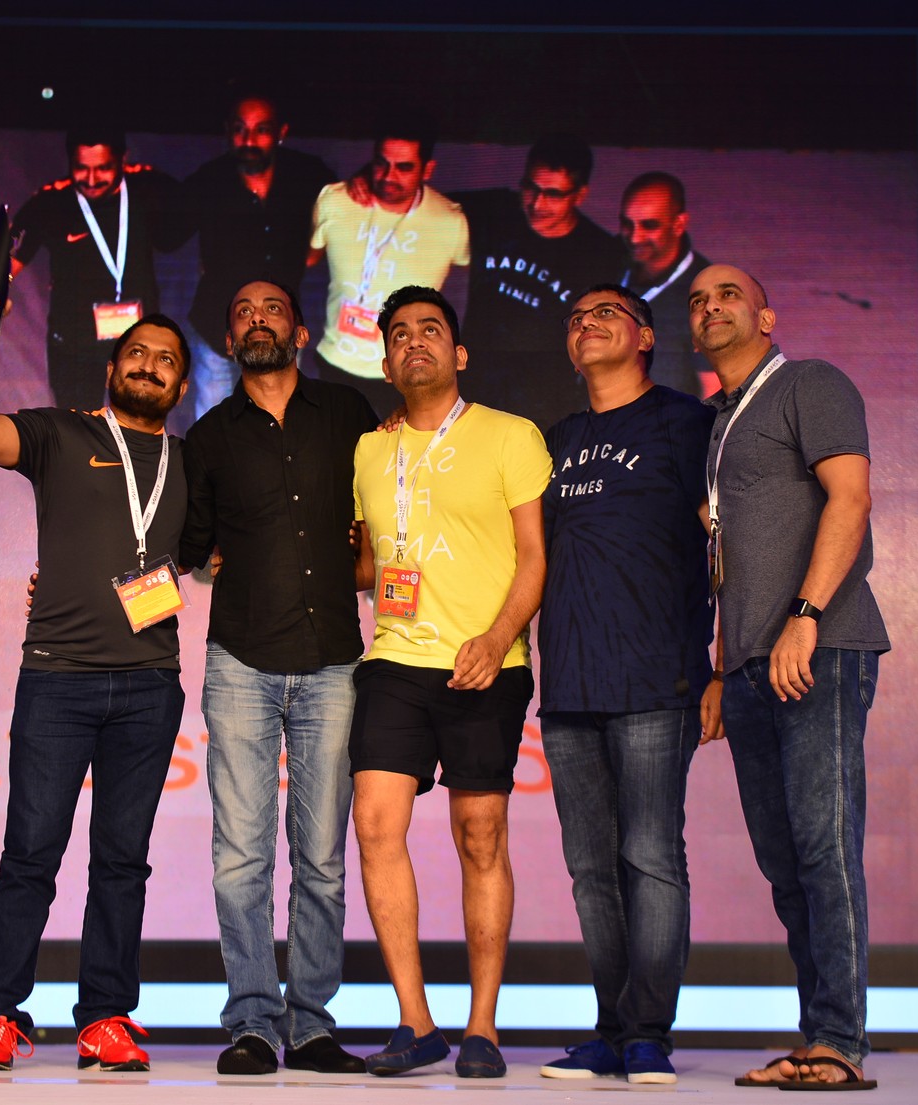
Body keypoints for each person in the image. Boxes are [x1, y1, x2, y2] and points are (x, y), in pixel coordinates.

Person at [0, 281, 191, 1073]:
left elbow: (210, 555)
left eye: (165, 359)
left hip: (149, 684)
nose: (149, 365)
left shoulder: (190, 464)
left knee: (123, 860)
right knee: (30, 851)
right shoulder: (60, 433)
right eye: (137, 354)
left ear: (181, 385)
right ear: (112, 369)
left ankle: (105, 1018)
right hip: (58, 679)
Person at [691, 263, 890, 1091]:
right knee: (784, 864)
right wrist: (720, 664)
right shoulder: (717, 423)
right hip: (748, 665)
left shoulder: (810, 382)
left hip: (819, 648)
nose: (710, 306)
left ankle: (840, 1039)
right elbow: (726, 557)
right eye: (699, 300)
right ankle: (816, 1036)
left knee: (823, 846)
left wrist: (804, 617)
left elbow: (851, 498)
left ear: (767, 316)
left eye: (728, 294)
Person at [349, 285, 551, 1079]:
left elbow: (534, 556)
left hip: (485, 663)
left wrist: (498, 639)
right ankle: (416, 1020)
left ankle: (482, 1027)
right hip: (395, 659)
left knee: (480, 835)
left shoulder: (511, 434)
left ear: (458, 352)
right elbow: (370, 564)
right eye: (399, 334)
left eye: (430, 329)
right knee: (374, 825)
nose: (414, 342)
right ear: (386, 361)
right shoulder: (370, 450)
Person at [179, 279, 378, 1075]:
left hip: (333, 658)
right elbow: (192, 546)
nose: (256, 318)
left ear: (299, 331)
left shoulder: (349, 413)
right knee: (241, 856)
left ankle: (312, 1023)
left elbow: (384, 508)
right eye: (242, 312)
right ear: (230, 341)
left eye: (271, 309)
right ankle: (254, 1022)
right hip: (241, 660)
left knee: (323, 858)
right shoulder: (208, 436)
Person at [534, 285, 715, 1085]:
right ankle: (610, 1030)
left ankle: (649, 1033)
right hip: (570, 684)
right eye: (576, 318)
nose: (587, 323)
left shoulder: (685, 422)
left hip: (656, 676)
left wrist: (718, 662)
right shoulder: (558, 439)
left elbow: (724, 545)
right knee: (591, 867)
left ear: (644, 336)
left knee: (650, 855)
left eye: (605, 312)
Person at [173, 94, 336, 426]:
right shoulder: (209, 180)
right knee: (215, 422)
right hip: (217, 330)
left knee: (283, 421)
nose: (249, 140)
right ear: (227, 131)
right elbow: (166, 236)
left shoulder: (307, 175)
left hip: (281, 333)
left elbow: (344, 209)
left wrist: (313, 253)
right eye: (240, 129)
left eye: (261, 130)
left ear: (281, 132)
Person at [454, 135, 627, 432]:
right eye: (530, 188)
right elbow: (420, 200)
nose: (536, 203)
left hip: (543, 406)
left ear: (579, 195)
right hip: (471, 392)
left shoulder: (602, 253)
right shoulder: (494, 210)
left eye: (553, 194)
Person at [9, 126, 181, 411]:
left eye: (102, 168)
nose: (90, 179)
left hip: (139, 345)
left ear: (122, 159)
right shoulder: (51, 203)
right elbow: (7, 264)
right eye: (81, 168)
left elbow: (200, 218)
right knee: (77, 430)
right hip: (74, 346)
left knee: (136, 427)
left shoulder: (149, 188)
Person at [307, 124, 470, 415]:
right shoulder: (336, 199)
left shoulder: (450, 221)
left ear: (427, 169)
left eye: (403, 167)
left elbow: (462, 286)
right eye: (381, 163)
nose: (388, 177)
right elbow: (309, 258)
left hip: (406, 373)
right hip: (333, 359)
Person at [618, 173, 713, 397]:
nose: (635, 237)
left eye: (649, 225)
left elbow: (714, 391)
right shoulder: (606, 259)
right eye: (627, 224)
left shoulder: (707, 294)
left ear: (679, 224)